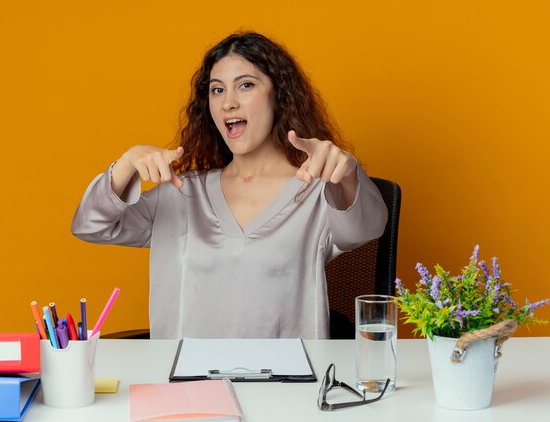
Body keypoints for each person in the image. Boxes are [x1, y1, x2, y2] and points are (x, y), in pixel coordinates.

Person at [72, 32, 387, 339]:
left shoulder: (318, 192)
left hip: (287, 384)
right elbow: (91, 226)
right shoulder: (181, 192)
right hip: (189, 385)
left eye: (246, 85)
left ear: (280, 96)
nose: (228, 103)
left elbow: (367, 228)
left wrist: (347, 173)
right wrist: (125, 165)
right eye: (217, 90)